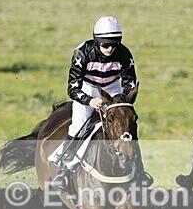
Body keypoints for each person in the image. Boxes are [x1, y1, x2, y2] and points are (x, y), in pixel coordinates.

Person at [50, 16, 152, 192]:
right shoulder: (82, 52)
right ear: (97, 42)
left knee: (127, 127)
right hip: (87, 89)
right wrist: (90, 100)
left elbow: (130, 83)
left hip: (113, 90)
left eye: (114, 44)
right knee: (77, 127)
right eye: (105, 45)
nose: (110, 49)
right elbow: (72, 88)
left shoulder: (124, 54)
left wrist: (121, 102)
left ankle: (140, 171)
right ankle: (63, 172)